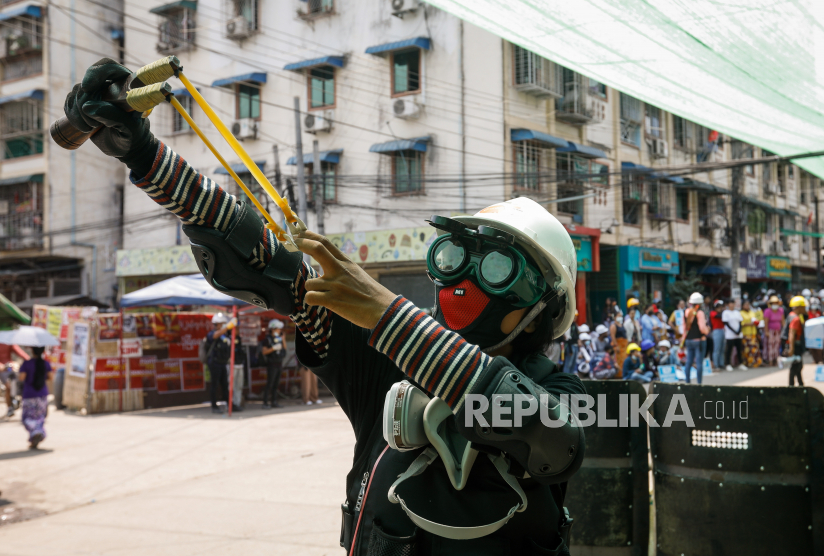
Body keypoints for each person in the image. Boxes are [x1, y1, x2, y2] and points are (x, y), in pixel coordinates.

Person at [63, 61, 586, 553]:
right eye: (455, 259)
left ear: (545, 302)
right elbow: (272, 267)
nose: (467, 279)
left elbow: (550, 436)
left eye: (496, 268)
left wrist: (386, 314)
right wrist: (147, 158)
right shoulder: (385, 361)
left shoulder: (558, 389)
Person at [205, 313, 244, 413]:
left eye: (224, 323)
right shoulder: (212, 333)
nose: (223, 325)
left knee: (225, 385)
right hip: (214, 362)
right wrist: (227, 327)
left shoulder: (225, 335)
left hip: (223, 363)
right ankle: (214, 406)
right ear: (216, 324)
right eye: (221, 323)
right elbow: (214, 336)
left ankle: (229, 404)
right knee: (214, 385)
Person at [18, 346, 52, 448]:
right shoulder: (46, 363)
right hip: (42, 394)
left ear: (32, 351)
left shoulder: (27, 363)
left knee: (27, 417)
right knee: (40, 417)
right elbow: (51, 377)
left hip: (29, 394)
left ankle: (36, 432)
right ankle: (35, 437)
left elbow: (21, 377)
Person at [0, 341, 29, 417]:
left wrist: (28, 360)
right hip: (0, 370)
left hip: (10, 367)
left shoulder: (8, 342)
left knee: (22, 380)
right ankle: (9, 407)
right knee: (8, 386)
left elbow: (19, 352)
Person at [681, 293, 710, 383]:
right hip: (699, 340)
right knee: (699, 362)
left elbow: (684, 328)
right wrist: (707, 330)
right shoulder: (700, 313)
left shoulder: (686, 312)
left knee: (689, 361)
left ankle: (687, 382)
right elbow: (702, 328)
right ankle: (699, 383)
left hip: (688, 340)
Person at [261, 319, 286, 408]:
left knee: (276, 384)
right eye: (278, 329)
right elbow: (264, 352)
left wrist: (283, 340)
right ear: (273, 329)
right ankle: (265, 403)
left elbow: (284, 349)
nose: (279, 330)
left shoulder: (278, 338)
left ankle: (274, 402)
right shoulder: (267, 339)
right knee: (270, 384)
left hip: (279, 363)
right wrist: (273, 348)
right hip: (271, 365)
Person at [786, 296, 808, 386]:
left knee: (798, 366)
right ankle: (791, 386)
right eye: (804, 307)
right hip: (795, 346)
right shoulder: (795, 319)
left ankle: (801, 384)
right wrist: (791, 348)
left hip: (795, 345)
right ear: (799, 307)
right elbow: (792, 333)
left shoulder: (792, 315)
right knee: (796, 366)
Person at [722, 299, 747, 372]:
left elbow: (740, 322)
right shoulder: (725, 312)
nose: (732, 305)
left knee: (739, 349)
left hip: (738, 334)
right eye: (731, 303)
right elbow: (726, 323)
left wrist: (739, 330)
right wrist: (734, 331)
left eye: (733, 303)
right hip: (730, 334)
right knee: (729, 349)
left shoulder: (737, 312)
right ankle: (728, 364)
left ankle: (740, 363)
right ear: (728, 304)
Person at [739, 300, 763, 369]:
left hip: (753, 333)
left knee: (755, 349)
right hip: (746, 334)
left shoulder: (752, 313)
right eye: (746, 305)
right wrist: (750, 324)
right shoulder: (741, 313)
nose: (747, 306)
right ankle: (747, 363)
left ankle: (756, 363)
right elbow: (741, 323)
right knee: (747, 350)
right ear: (743, 306)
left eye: (748, 304)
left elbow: (756, 320)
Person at [762, 295, 785, 365]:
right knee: (770, 346)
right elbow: (766, 322)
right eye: (773, 303)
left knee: (777, 346)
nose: (775, 305)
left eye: (776, 303)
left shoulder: (781, 310)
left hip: (778, 331)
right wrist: (766, 331)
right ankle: (770, 361)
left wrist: (784, 331)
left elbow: (783, 322)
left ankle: (775, 360)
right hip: (770, 331)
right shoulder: (767, 311)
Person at [610, 308, 628, 377]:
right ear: (615, 317)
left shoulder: (622, 325)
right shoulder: (613, 325)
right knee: (619, 360)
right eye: (618, 316)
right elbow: (613, 336)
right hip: (618, 345)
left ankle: (624, 374)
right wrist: (616, 345)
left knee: (624, 360)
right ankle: (618, 375)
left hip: (624, 346)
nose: (620, 317)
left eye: (621, 316)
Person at [709, 300, 726, 370]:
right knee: (716, 349)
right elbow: (718, 316)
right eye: (718, 307)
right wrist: (725, 312)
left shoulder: (723, 313)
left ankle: (721, 363)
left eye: (721, 307)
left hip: (723, 330)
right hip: (716, 331)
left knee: (722, 349)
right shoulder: (712, 313)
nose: (720, 309)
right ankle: (716, 364)